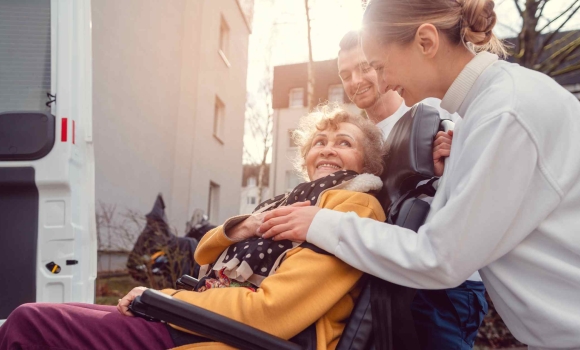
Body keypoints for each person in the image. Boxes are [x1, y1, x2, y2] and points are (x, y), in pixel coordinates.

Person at [260, 0, 580, 349]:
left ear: (426, 42)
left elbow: (438, 258)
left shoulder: (504, 112)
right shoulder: (486, 111)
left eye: (380, 66)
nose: (383, 82)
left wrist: (321, 222)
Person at [2, 106, 438, 350]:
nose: (328, 149)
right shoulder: (294, 200)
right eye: (319, 142)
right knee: (36, 319)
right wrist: (238, 228)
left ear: (368, 162)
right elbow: (203, 255)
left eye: (345, 143)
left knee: (28, 324)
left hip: (239, 334)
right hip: (206, 314)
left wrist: (164, 300)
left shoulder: (351, 205)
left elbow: (272, 312)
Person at [337, 29, 487, 349]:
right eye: (345, 74)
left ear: (382, 65)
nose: (355, 81)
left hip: (444, 285)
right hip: (390, 279)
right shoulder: (361, 141)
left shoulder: (433, 112)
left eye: (364, 67)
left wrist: (455, 157)